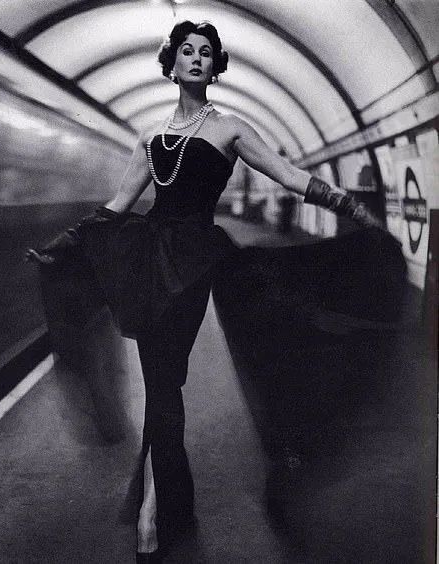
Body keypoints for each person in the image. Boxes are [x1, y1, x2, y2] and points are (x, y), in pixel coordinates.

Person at [27, 20, 383, 563]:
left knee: (166, 381)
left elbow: (289, 175)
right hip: (147, 262)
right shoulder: (149, 137)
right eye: (187, 51)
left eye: (206, 53)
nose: (196, 58)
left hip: (192, 267)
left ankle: (151, 513)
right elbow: (118, 206)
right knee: (161, 384)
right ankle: (162, 504)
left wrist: (350, 205)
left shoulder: (231, 129)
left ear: (215, 67)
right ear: (172, 64)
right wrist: (63, 245)